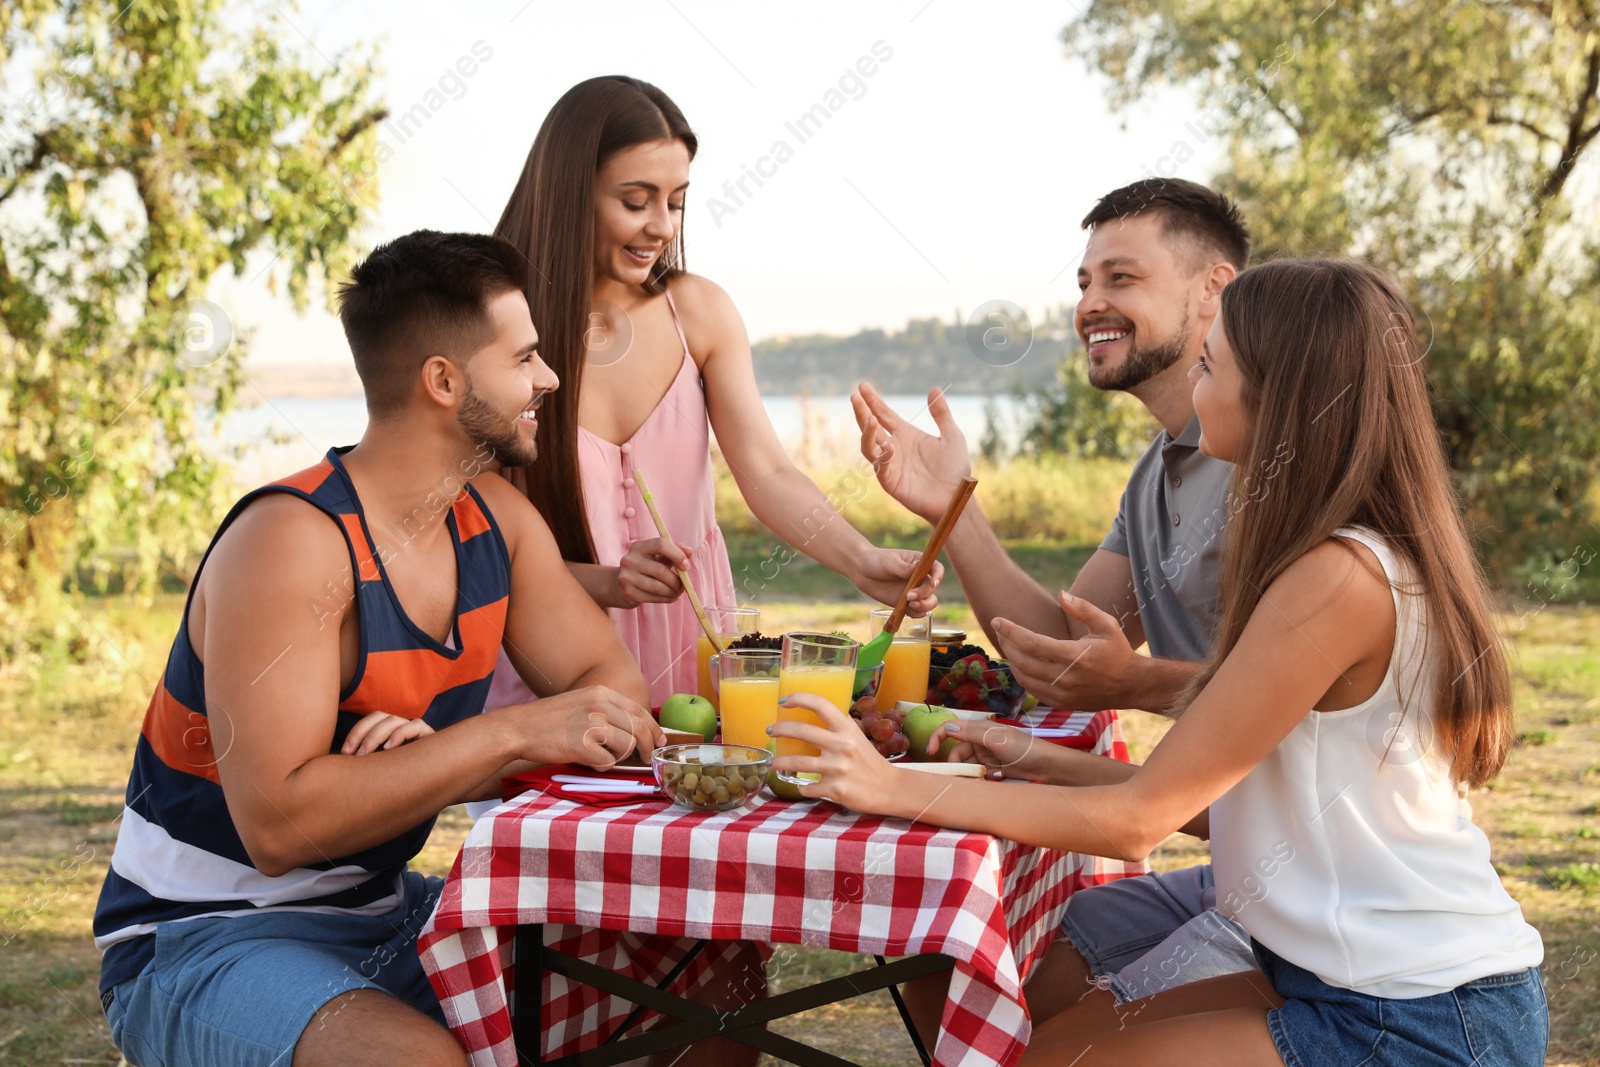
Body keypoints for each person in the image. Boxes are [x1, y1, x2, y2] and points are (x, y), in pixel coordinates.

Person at [775, 257, 1548, 1065]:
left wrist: (887, 785)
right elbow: (1224, 804)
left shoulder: (1337, 578)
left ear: (1278, 399)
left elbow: (1139, 819)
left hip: (1418, 1015)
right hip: (1337, 975)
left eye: (1212, 365)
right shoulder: (1330, 556)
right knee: (1039, 1046)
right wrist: (1023, 751)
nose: (1196, 388)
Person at [92, 231, 705, 1067]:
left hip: (384, 913)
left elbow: (613, 696)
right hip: (205, 938)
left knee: (702, 965)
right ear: (444, 381)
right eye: (524, 356)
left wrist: (427, 765)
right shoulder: (294, 542)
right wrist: (497, 739)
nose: (549, 378)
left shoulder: (496, 520)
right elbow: (280, 825)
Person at [856, 179, 1259, 1028]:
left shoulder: (1274, 465)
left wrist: (1133, 683)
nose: (1089, 305)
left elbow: (1298, 691)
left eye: (1121, 278)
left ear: (1212, 290)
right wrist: (955, 508)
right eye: (1083, 283)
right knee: (953, 960)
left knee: (1042, 1026)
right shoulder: (1159, 469)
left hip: (1301, 879)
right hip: (1236, 860)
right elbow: (1054, 648)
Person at [488, 75, 939, 710]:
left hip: (691, 637)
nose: (660, 228)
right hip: (553, 646)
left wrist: (860, 561)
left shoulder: (698, 312)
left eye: (674, 202)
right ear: (570, 194)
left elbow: (768, 471)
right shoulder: (502, 327)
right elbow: (476, 537)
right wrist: (607, 581)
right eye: (636, 200)